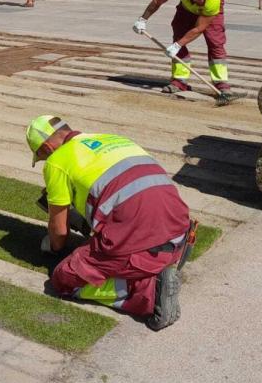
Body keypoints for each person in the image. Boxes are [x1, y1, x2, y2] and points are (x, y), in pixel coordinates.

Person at [26, 115, 191, 330]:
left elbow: (58, 233)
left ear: (47, 147)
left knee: (63, 278)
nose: (43, 162)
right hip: (179, 233)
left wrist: (55, 246)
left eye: (41, 157)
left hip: (140, 241)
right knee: (109, 208)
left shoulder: (56, 162)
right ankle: (159, 265)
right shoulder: (113, 139)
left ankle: (150, 290)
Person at [133, 0, 234, 98]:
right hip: (187, 8)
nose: (201, 1)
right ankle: (179, 81)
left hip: (210, 11)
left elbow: (199, 28)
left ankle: (221, 84)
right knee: (179, 35)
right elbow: (157, 1)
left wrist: (177, 45)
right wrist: (142, 20)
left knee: (215, 42)